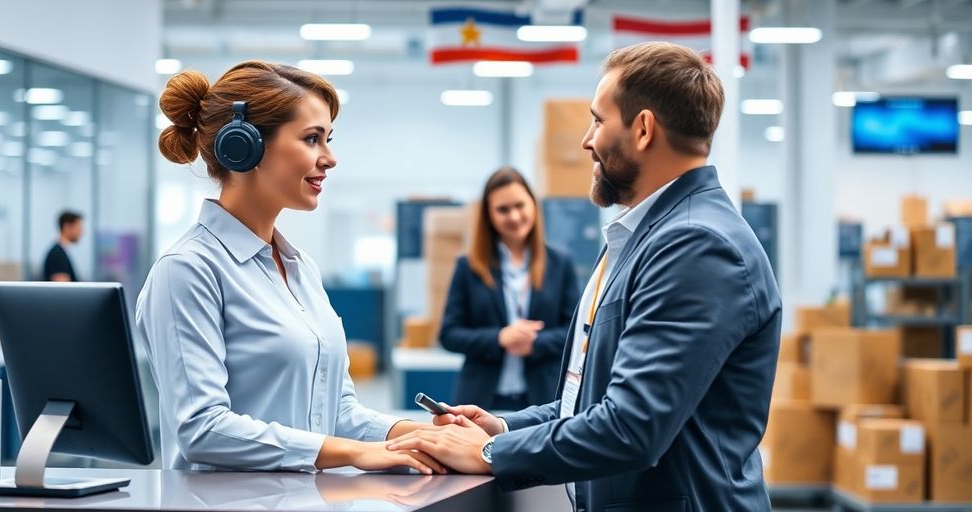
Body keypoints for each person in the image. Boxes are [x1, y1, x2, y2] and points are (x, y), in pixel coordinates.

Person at [387, 41, 782, 511]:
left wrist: (488, 453)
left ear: (642, 129)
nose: (586, 140)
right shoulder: (642, 235)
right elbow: (596, 398)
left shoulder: (696, 245)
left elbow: (631, 427)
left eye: (598, 120)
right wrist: (506, 427)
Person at [136, 61, 444, 475]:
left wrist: (421, 433)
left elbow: (335, 411)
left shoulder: (301, 269)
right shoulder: (188, 271)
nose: (330, 158)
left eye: (328, 139)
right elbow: (201, 428)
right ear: (244, 146)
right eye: (312, 139)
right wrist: (351, 453)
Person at [439, 167, 579, 411]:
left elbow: (574, 331)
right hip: (481, 401)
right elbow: (449, 334)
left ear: (533, 205)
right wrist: (499, 338)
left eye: (519, 205)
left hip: (542, 399)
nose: (514, 216)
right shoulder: (469, 266)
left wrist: (535, 342)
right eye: (503, 209)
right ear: (489, 216)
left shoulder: (560, 263)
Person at [43, 211, 83, 281]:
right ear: (67, 227)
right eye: (79, 228)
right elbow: (62, 288)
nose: (81, 232)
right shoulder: (57, 255)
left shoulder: (61, 252)